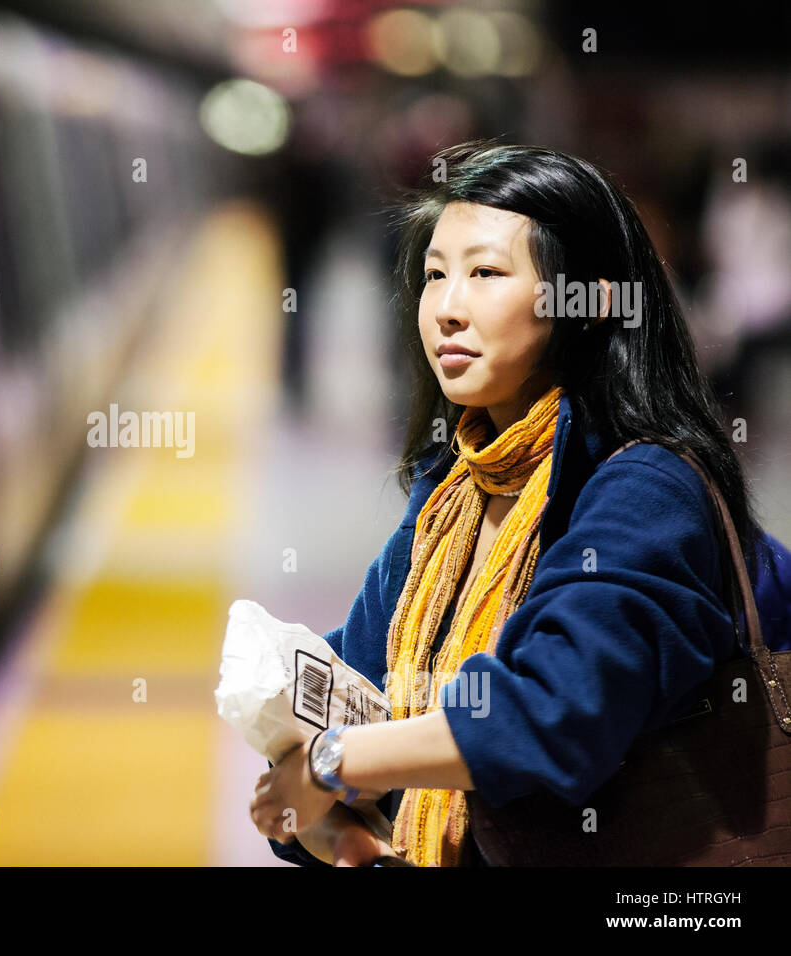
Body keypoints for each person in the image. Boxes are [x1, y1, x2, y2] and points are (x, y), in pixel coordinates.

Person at [248, 141, 791, 867]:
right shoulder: (456, 491)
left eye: (486, 274)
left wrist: (332, 765)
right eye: (436, 275)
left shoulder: (651, 490)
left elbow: (552, 710)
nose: (447, 308)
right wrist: (325, 822)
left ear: (589, 304)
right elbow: (358, 686)